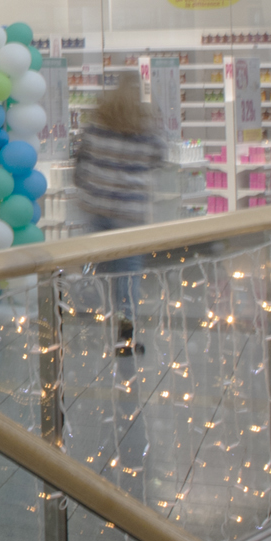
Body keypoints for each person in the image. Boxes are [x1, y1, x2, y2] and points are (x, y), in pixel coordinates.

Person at [73, 71, 163, 356]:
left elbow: (81, 159)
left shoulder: (97, 123)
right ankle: (125, 333)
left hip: (96, 205)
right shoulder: (146, 127)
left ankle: (82, 304)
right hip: (129, 212)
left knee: (95, 261)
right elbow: (159, 158)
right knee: (128, 274)